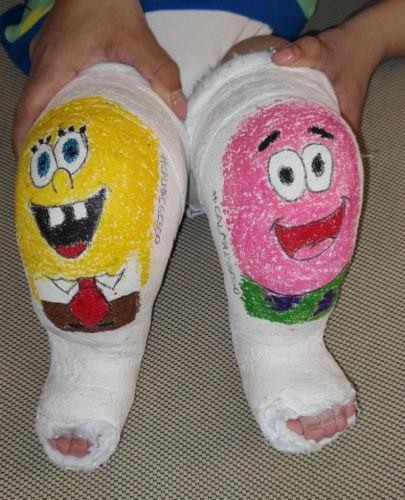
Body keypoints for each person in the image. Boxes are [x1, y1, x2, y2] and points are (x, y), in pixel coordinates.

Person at [2, 0, 405, 469]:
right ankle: (94, 354)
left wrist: (368, 37)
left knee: (299, 149)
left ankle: (284, 341)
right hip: (97, 42)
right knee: (86, 164)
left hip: (249, 52)